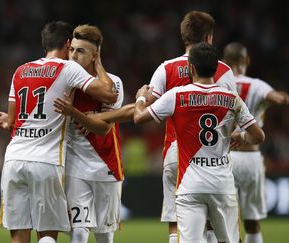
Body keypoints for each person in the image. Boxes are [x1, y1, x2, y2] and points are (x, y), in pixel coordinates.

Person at [80, 11, 237, 243]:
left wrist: (104, 116)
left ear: (184, 37)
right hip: (212, 156)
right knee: (213, 225)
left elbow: (142, 111)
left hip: (176, 153)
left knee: (176, 223)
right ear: (209, 38)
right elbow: (233, 114)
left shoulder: (166, 68)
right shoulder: (223, 71)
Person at [0, 21, 117, 243]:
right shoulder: (68, 68)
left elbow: (11, 120)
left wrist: (8, 121)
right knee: (47, 235)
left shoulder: (20, 70)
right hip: (46, 162)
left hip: (13, 159)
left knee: (18, 237)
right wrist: (97, 61)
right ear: (68, 44)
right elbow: (109, 94)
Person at [135, 42, 264, 243]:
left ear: (191, 68)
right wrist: (241, 137)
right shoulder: (232, 98)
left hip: (190, 185)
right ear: (216, 67)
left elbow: (139, 118)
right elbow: (258, 136)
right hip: (222, 186)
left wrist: (141, 99)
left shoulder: (176, 95)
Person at [53, 24, 124, 243]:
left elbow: (103, 128)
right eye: (72, 50)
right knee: (79, 233)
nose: (73, 56)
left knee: (104, 236)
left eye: (81, 51)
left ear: (95, 55)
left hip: (107, 167)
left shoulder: (114, 84)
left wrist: (79, 115)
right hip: (75, 167)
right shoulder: (65, 82)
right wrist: (88, 118)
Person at [223, 42, 289, 243]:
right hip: (251, 158)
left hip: (225, 158)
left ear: (225, 62)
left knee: (224, 218)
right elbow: (279, 99)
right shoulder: (257, 85)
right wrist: (281, 97)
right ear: (247, 61)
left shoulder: (220, 84)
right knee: (252, 221)